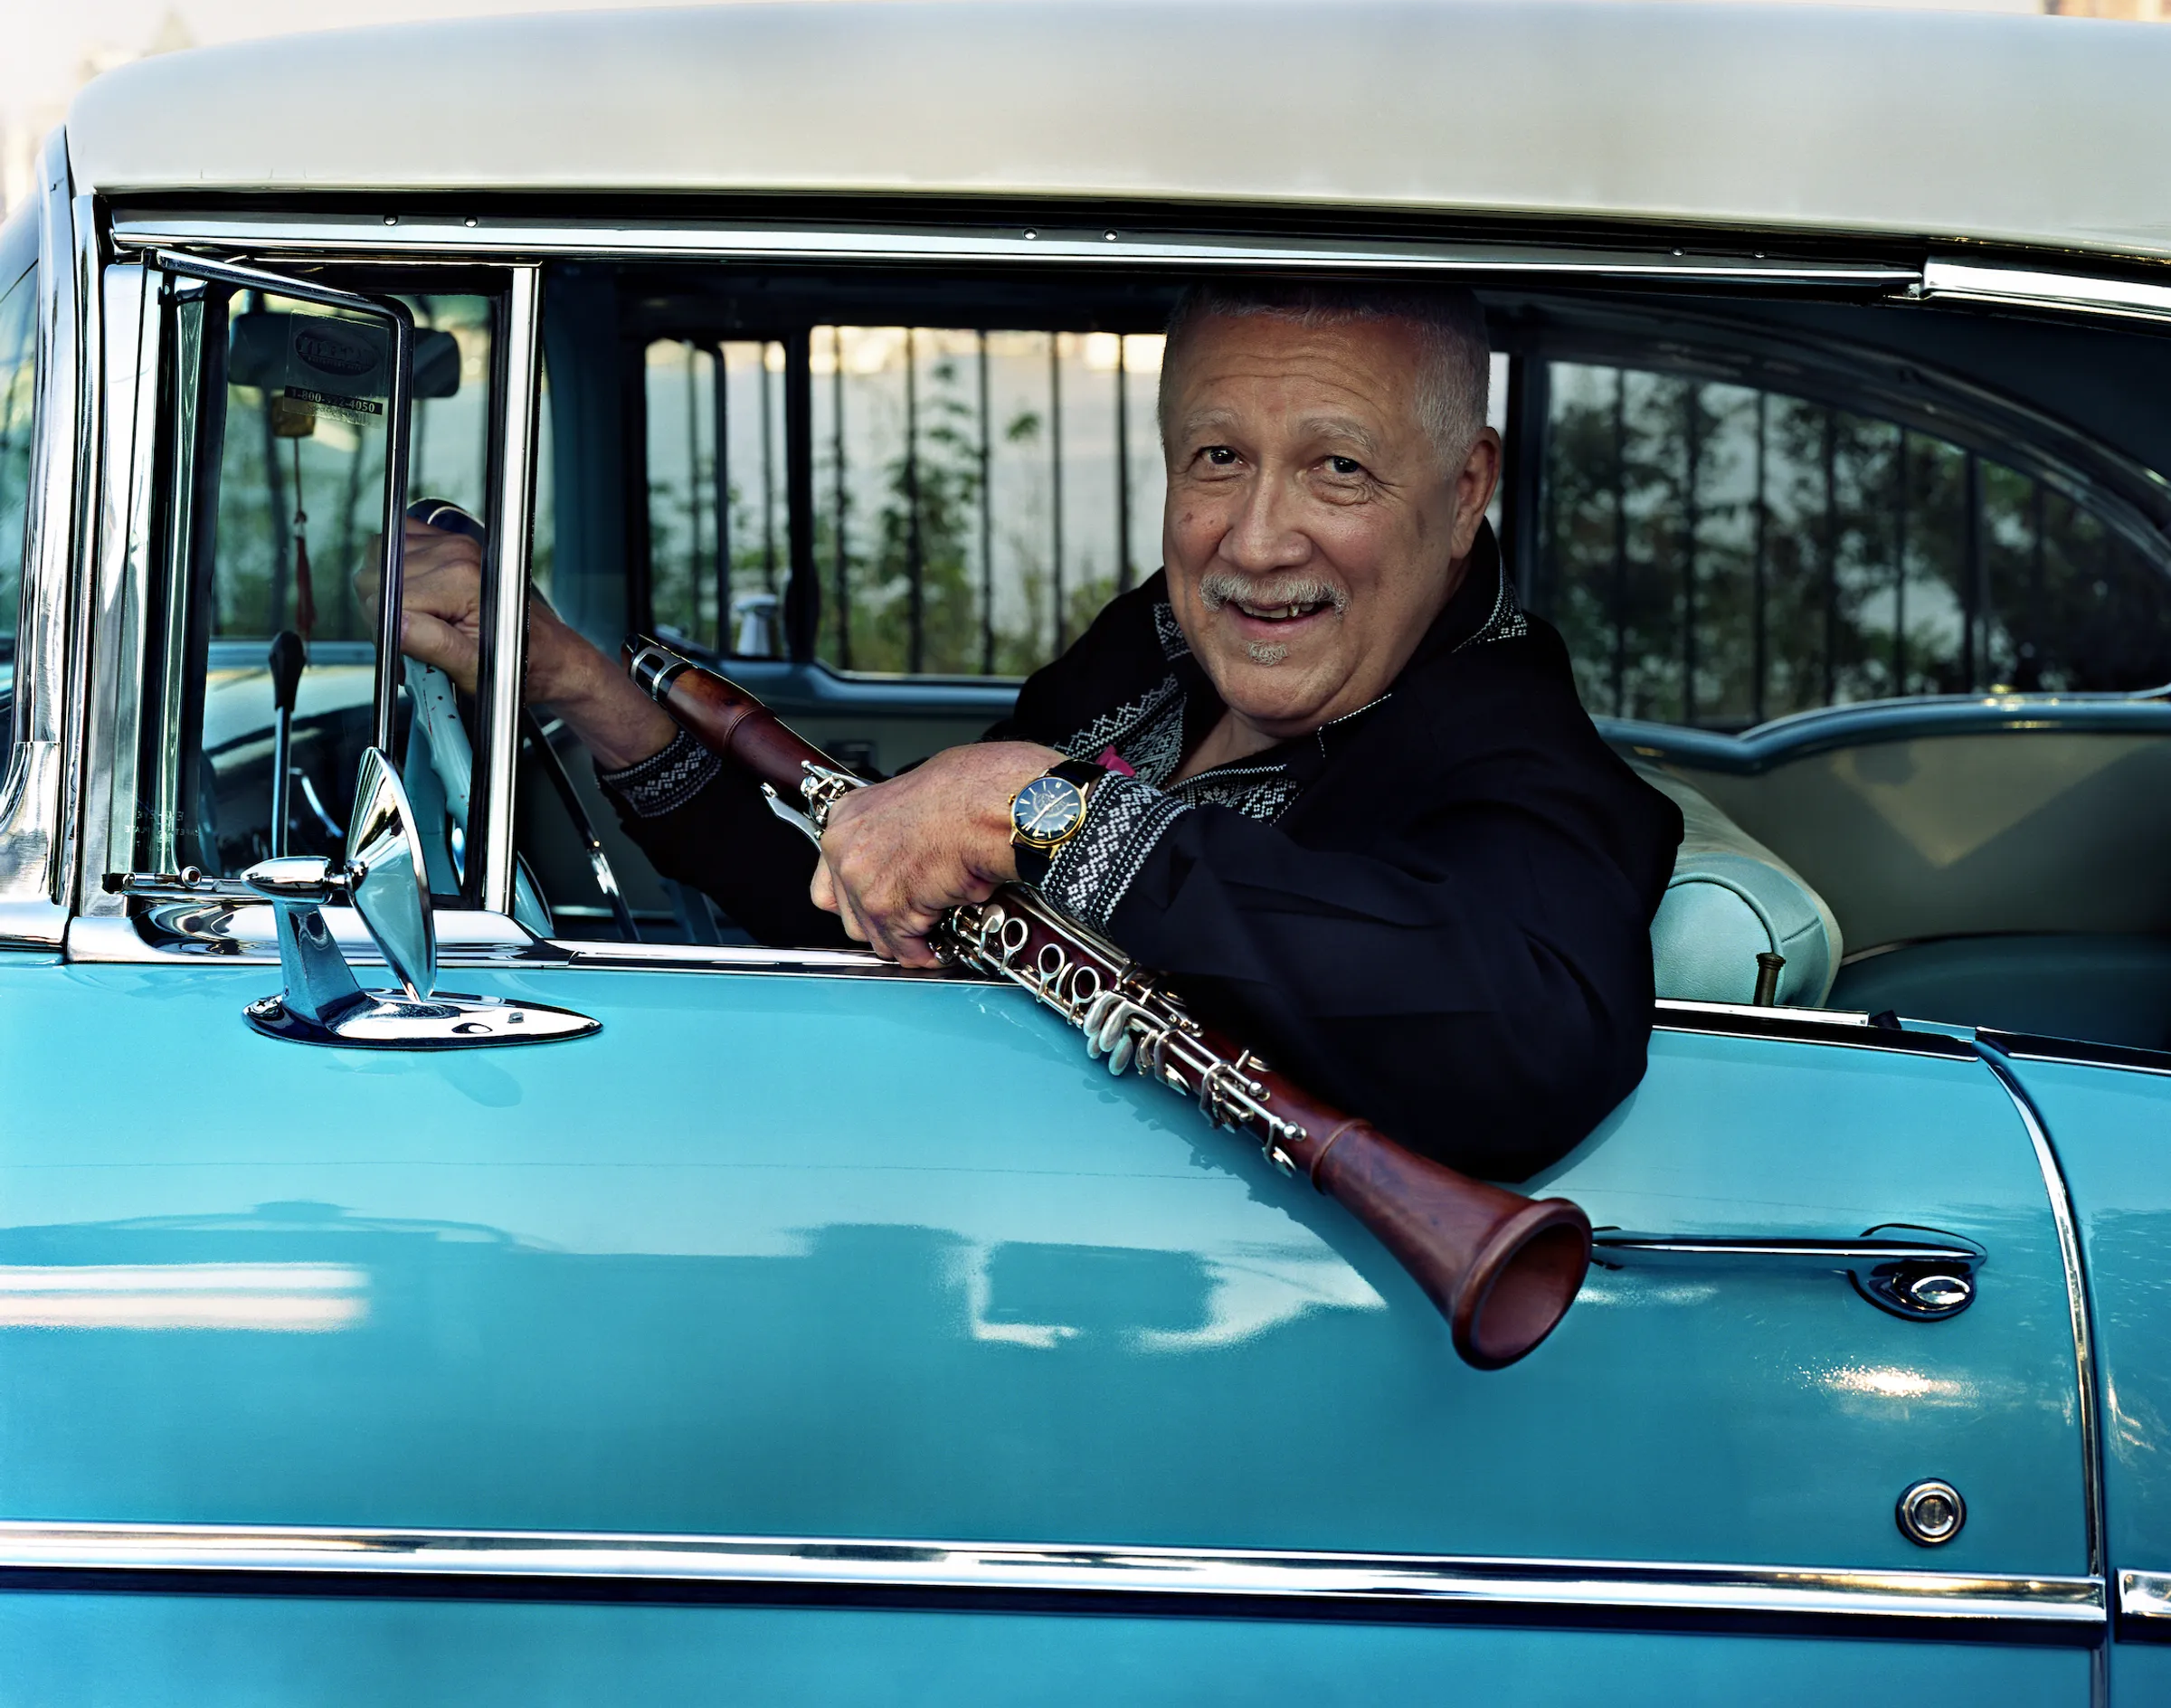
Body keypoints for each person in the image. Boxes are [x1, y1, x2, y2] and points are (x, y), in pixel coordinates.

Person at [393, 283, 1683, 1178]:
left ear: (1466, 493)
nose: (1259, 540)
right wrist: (578, 686)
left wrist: (1049, 813)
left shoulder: (1512, 743)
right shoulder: (1169, 646)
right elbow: (880, 883)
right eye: (1217, 458)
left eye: (1338, 466)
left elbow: (1535, 1029)